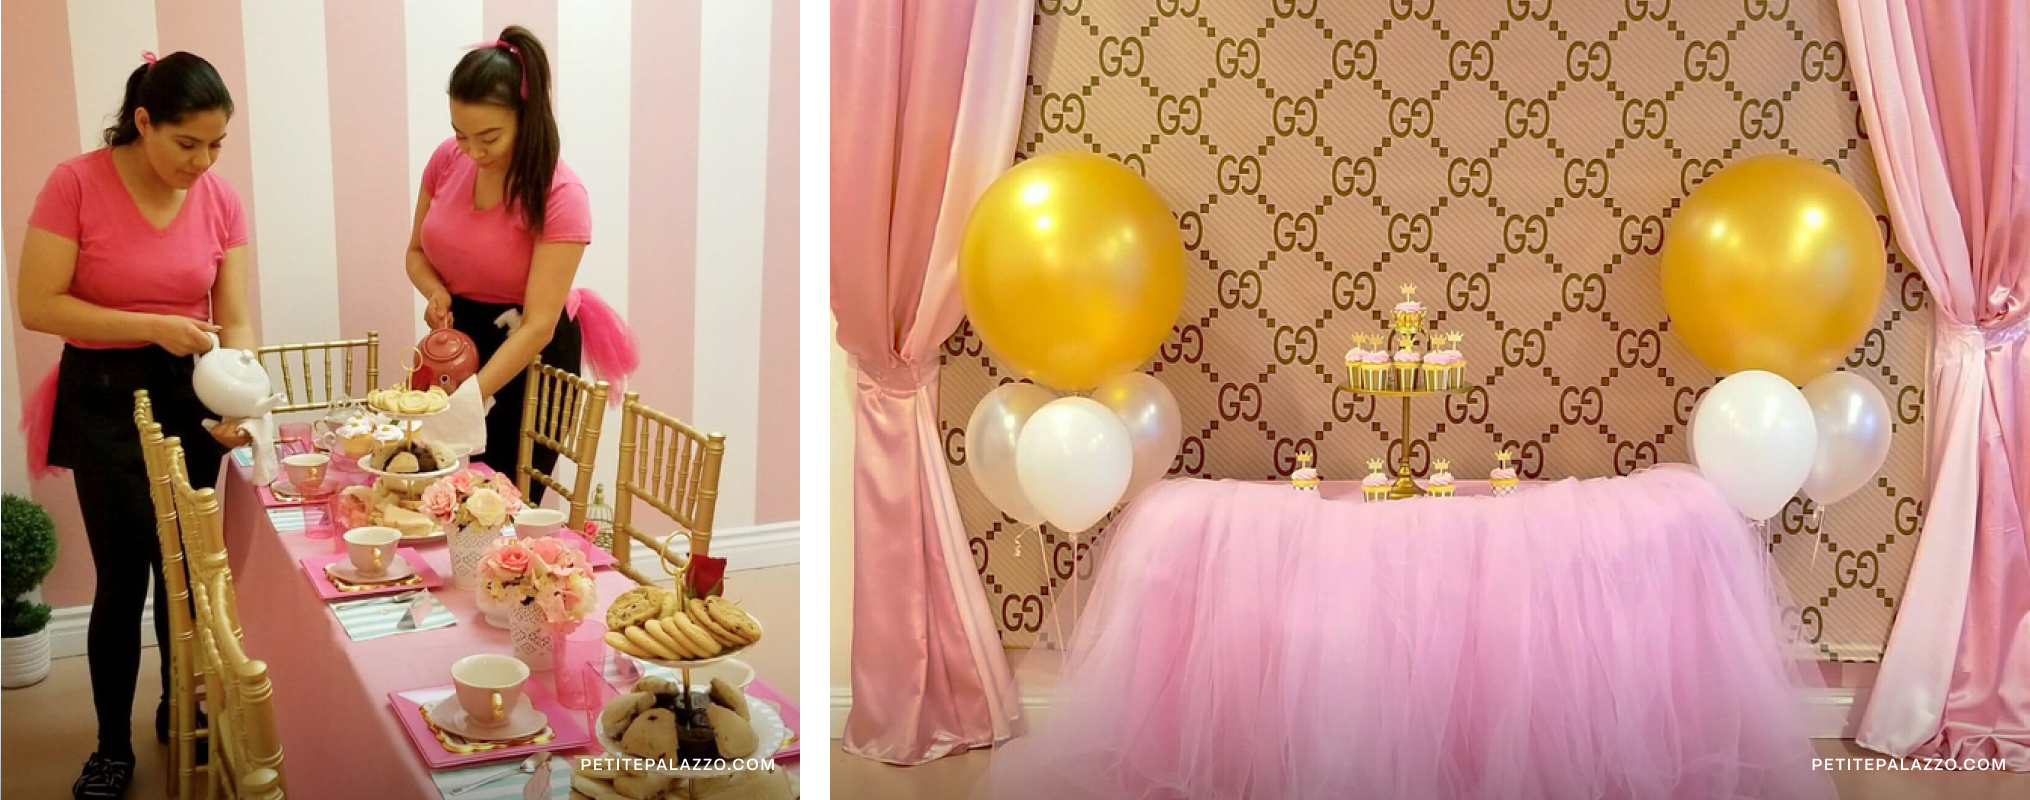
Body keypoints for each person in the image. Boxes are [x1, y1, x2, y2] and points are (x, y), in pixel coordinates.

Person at [15, 51, 252, 799]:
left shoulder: (220, 198)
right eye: (188, 143)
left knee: (186, 575)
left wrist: (235, 402)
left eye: (216, 144)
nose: (203, 161)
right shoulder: (75, 183)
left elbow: (236, 317)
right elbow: (39, 305)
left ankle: (178, 707)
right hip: (104, 393)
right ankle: (110, 748)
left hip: (190, 390)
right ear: (142, 121)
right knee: (125, 578)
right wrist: (152, 325)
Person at [404, 25, 635, 502]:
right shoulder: (447, 160)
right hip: (460, 341)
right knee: (433, 495)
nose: (471, 150)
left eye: (489, 136)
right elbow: (415, 253)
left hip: (529, 354)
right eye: (460, 133)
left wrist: (469, 399)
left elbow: (538, 326)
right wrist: (435, 291)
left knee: (497, 506)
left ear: (527, 118)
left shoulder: (561, 196)